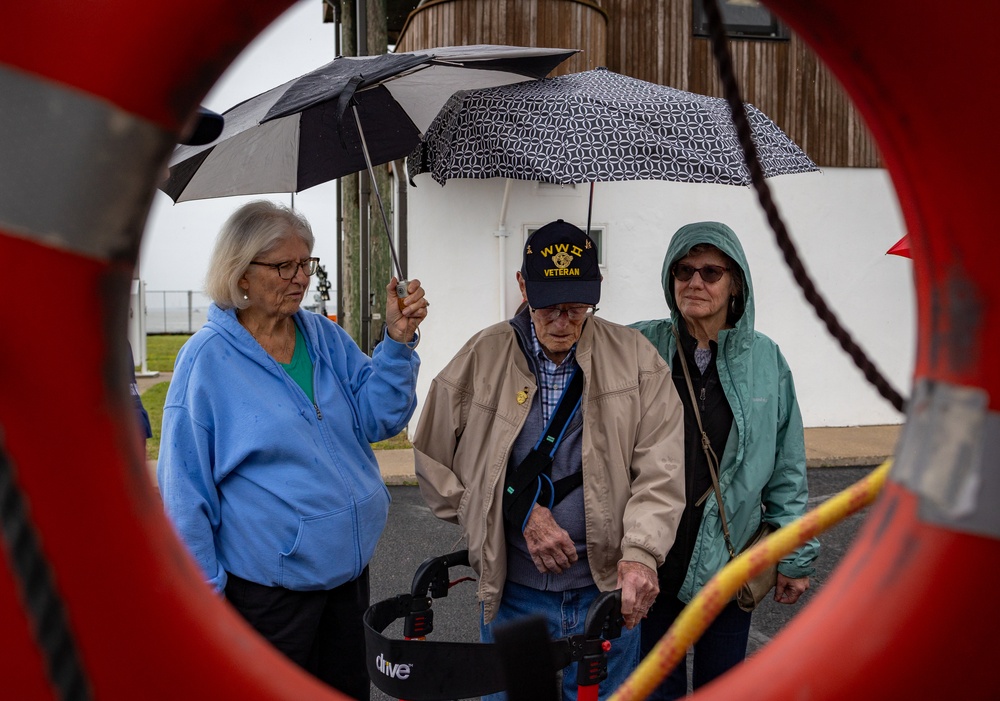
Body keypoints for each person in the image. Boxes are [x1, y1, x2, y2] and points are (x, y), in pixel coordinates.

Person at [157, 200, 428, 699]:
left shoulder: (322, 335)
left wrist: (397, 340)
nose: (300, 278)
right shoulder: (207, 361)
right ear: (240, 272)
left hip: (347, 581)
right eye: (284, 266)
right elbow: (184, 494)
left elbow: (379, 418)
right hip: (268, 599)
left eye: (307, 263)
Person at [413, 220, 685, 700]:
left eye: (577, 306)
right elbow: (433, 462)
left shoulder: (638, 359)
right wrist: (512, 513)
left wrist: (641, 554)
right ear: (522, 285)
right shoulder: (482, 356)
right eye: (548, 306)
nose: (563, 319)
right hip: (514, 595)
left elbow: (661, 471)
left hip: (606, 594)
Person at [631, 221, 819, 698]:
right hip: (653, 561)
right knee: (655, 689)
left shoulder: (766, 360)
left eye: (711, 272)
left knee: (725, 689)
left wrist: (794, 557)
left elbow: (786, 469)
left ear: (736, 283)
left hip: (729, 563)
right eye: (684, 270)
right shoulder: (639, 346)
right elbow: (568, 346)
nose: (694, 282)